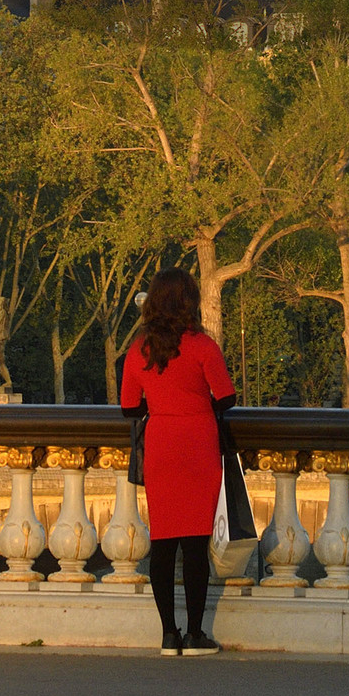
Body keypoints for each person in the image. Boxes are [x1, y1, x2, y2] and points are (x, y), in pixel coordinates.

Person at [119, 267, 235, 656]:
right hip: (198, 443)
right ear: (190, 301)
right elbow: (226, 398)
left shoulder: (139, 350)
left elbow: (128, 407)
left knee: (163, 543)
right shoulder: (203, 346)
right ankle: (196, 633)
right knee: (196, 545)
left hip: (162, 445)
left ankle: (169, 632)